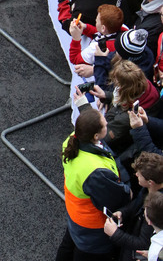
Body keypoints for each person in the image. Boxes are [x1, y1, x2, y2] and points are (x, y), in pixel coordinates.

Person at [56, 105, 131, 260]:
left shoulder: (73, 140)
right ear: (96, 136)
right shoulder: (95, 172)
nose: (107, 125)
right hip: (93, 230)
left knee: (67, 249)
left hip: (76, 217)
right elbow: (117, 198)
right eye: (104, 124)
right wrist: (128, 189)